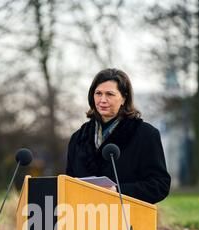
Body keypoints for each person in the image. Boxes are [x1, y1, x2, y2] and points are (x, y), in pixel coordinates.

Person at [65, 68, 171, 204]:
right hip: (84, 218)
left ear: (124, 98)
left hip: (127, 218)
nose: (102, 100)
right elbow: (69, 184)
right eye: (98, 93)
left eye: (109, 94)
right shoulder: (78, 138)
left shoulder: (146, 134)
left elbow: (160, 185)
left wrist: (118, 191)